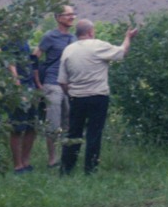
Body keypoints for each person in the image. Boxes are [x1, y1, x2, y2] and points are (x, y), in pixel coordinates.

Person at [58, 19, 139, 175]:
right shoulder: (98, 45)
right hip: (98, 96)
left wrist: (72, 93)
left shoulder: (68, 50)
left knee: (73, 133)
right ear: (90, 32)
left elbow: (62, 81)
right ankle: (90, 170)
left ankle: (66, 169)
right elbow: (122, 52)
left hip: (76, 98)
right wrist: (128, 38)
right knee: (94, 133)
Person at [33, 5, 77, 168]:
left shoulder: (74, 38)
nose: (72, 17)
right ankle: (52, 159)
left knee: (69, 124)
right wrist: (37, 82)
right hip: (52, 84)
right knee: (53, 124)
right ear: (58, 17)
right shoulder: (49, 36)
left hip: (70, 86)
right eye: (68, 14)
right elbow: (35, 57)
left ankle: (66, 158)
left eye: (73, 14)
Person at [3, 40, 38, 175]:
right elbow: (10, 63)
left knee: (32, 125)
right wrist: (17, 85)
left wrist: (35, 85)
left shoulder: (24, 41)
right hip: (19, 88)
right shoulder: (11, 40)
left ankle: (26, 161)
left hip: (30, 86)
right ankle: (18, 165)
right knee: (17, 126)